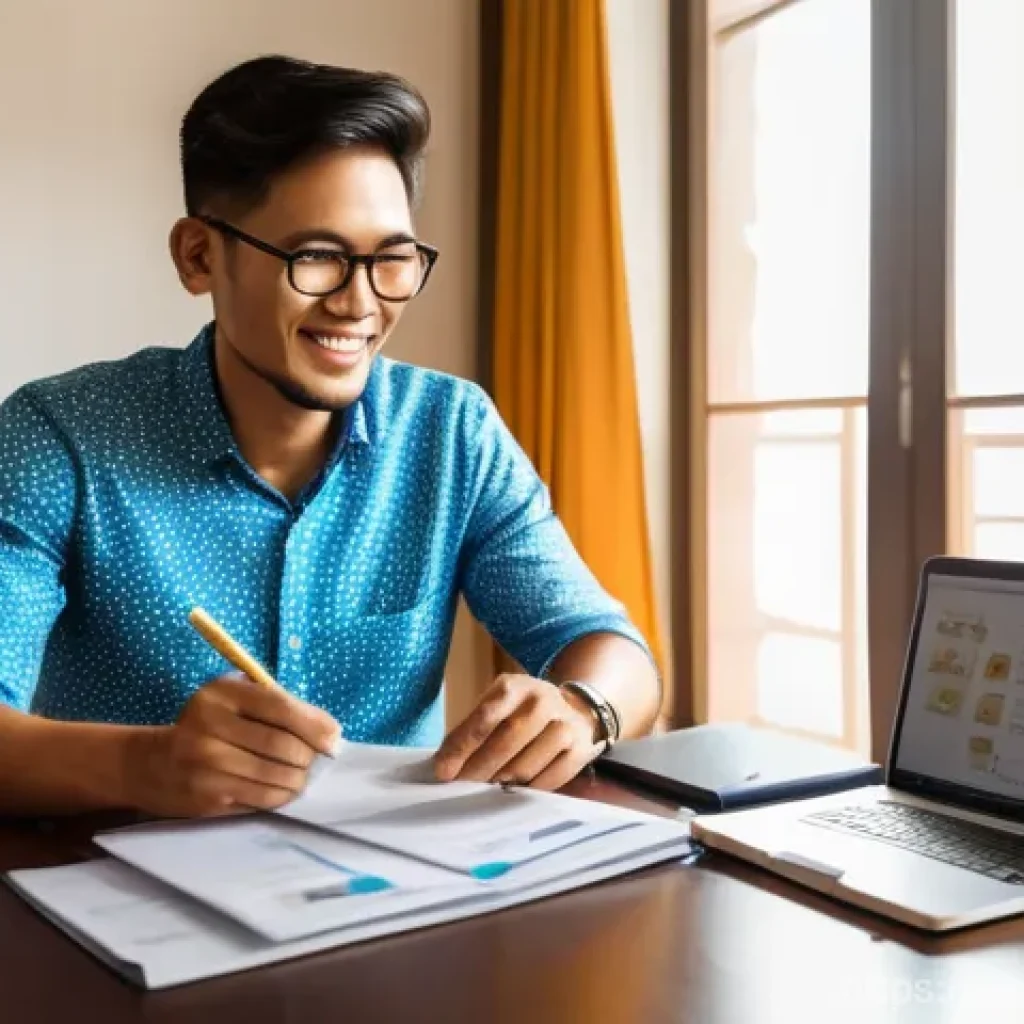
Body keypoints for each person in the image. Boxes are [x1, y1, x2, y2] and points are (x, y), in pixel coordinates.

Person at [0, 56, 660, 818]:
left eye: (392, 259)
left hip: (391, 893)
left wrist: (583, 709)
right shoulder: (58, 436)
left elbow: (612, 648)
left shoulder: (450, 431)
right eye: (316, 258)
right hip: (113, 895)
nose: (359, 302)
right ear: (198, 256)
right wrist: (145, 767)